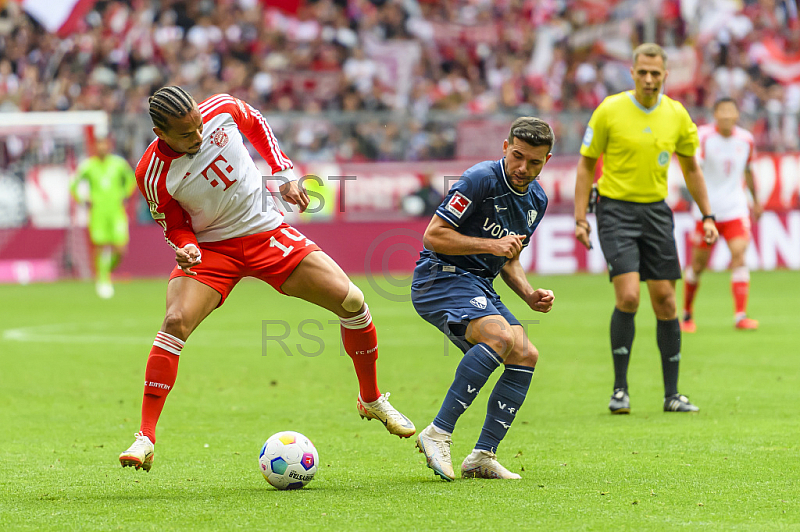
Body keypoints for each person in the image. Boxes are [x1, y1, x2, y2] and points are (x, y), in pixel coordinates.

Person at [119, 86, 414, 472]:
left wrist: (284, 173)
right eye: (187, 134)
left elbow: (256, 123)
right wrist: (186, 246)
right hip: (212, 250)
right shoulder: (151, 173)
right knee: (175, 322)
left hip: (265, 232)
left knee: (352, 301)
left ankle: (371, 399)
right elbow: (174, 225)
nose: (199, 136)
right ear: (161, 134)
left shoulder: (221, 109)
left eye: (199, 125)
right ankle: (145, 436)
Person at [574, 43, 719, 415]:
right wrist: (580, 218)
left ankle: (672, 395)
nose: (649, 79)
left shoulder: (677, 115)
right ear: (633, 72)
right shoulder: (609, 110)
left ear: (665, 75)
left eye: (656, 73)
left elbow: (692, 168)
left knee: (666, 300)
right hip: (615, 210)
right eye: (643, 72)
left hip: (656, 212)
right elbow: (586, 165)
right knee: (629, 297)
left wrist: (708, 215)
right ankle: (620, 390)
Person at [411, 117, 555, 481]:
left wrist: (529, 294)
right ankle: (437, 433)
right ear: (505, 147)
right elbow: (434, 235)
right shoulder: (479, 179)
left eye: (534, 162)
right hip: (440, 276)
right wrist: (492, 245)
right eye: (517, 156)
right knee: (500, 337)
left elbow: (509, 257)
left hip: (479, 285)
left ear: (546, 161)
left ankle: (482, 456)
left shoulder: (537, 200)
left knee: (525, 353)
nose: (523, 168)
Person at [681, 98, 762, 333]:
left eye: (730, 111)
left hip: (736, 208)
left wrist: (756, 202)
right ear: (714, 114)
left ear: (737, 115)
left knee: (739, 256)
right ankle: (687, 314)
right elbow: (693, 169)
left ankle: (740, 316)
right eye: (722, 111)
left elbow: (748, 171)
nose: (726, 115)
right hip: (707, 212)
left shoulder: (746, 139)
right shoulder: (703, 137)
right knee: (698, 265)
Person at [69, 137, 136, 298]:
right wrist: (83, 199)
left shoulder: (119, 164)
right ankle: (103, 280)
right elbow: (74, 184)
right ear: (94, 147)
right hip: (98, 212)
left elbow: (131, 179)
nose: (102, 148)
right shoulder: (88, 166)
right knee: (100, 246)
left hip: (116, 212)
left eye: (104, 144)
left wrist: (125, 194)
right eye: (99, 145)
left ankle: (105, 272)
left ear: (109, 146)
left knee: (120, 249)